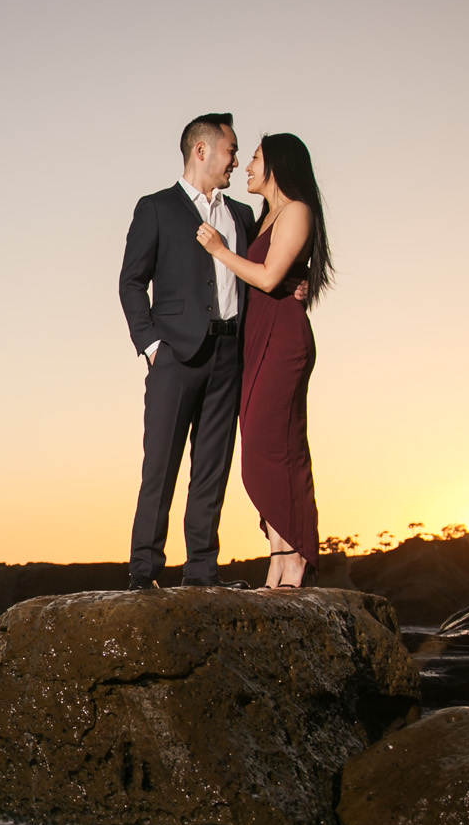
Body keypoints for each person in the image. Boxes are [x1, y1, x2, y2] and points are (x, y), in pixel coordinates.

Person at [117, 113, 259, 590]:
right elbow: (131, 282)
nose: (236, 161)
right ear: (202, 150)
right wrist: (152, 346)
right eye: (231, 150)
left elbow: (257, 274)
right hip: (174, 357)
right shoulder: (155, 208)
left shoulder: (241, 215)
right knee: (160, 465)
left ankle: (201, 571)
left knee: (213, 467)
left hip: (229, 354)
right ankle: (144, 570)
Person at [196, 133, 332, 588]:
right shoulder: (263, 217)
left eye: (253, 159)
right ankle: (278, 557)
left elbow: (272, 276)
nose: (247, 167)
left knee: (279, 452)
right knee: (259, 455)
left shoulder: (296, 210)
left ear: (277, 165)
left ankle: (294, 558)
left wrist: (219, 250)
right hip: (258, 342)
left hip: (283, 341)